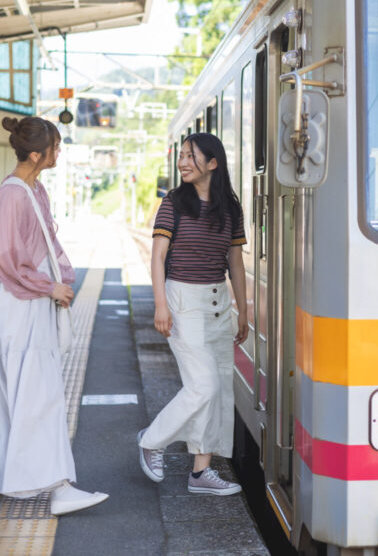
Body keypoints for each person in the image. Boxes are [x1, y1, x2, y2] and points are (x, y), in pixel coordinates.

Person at [0, 116, 108, 516]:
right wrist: (50, 286)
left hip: (23, 301)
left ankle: (5, 476)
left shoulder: (31, 189)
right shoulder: (14, 195)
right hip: (20, 304)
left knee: (22, 392)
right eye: (55, 148)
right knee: (38, 393)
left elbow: (42, 246)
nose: (58, 153)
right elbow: (6, 259)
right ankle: (58, 488)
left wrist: (58, 281)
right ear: (34, 154)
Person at [138, 132, 248, 495]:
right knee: (203, 385)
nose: (183, 162)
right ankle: (152, 440)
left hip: (217, 304)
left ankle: (201, 472)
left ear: (213, 163)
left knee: (217, 389)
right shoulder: (173, 203)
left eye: (191, 156)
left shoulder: (230, 207)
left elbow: (235, 262)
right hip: (183, 299)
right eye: (182, 156)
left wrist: (243, 310)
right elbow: (157, 257)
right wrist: (161, 304)